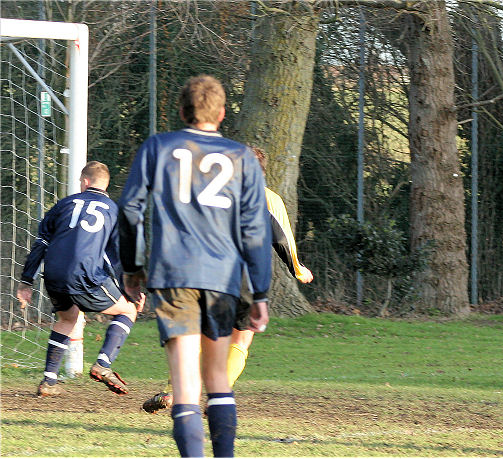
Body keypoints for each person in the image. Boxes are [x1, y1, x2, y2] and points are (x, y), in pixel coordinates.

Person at [118, 75, 272, 458]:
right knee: (218, 378)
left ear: (182, 112)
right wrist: (261, 291)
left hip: (173, 274)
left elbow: (130, 209)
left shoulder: (158, 146)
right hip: (223, 278)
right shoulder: (241, 157)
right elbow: (256, 230)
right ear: (221, 114)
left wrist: (133, 267)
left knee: (186, 385)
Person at [142, 175, 313, 414]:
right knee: (241, 339)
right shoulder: (262, 201)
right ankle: (218, 397)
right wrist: (296, 268)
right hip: (247, 279)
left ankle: (174, 391)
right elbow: (281, 238)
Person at [16, 161, 143, 397]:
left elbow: (41, 243)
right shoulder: (113, 210)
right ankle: (103, 364)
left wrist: (26, 282)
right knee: (128, 311)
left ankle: (49, 382)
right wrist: (130, 289)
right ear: (105, 184)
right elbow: (116, 255)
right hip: (84, 274)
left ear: (85, 182)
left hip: (53, 274)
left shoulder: (63, 204)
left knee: (68, 317)